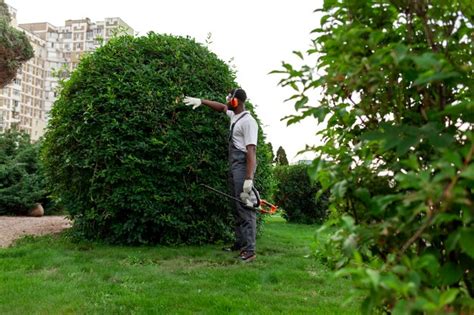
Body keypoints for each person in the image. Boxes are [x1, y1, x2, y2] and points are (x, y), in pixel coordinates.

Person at [183, 88, 258, 262]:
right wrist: (201, 101)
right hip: (234, 165)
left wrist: (249, 178)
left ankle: (250, 250)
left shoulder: (248, 122)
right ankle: (240, 244)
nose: (226, 100)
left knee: (245, 207)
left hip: (242, 165)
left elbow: (251, 151)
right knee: (236, 207)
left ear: (235, 101)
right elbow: (220, 108)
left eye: (229, 97)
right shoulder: (234, 116)